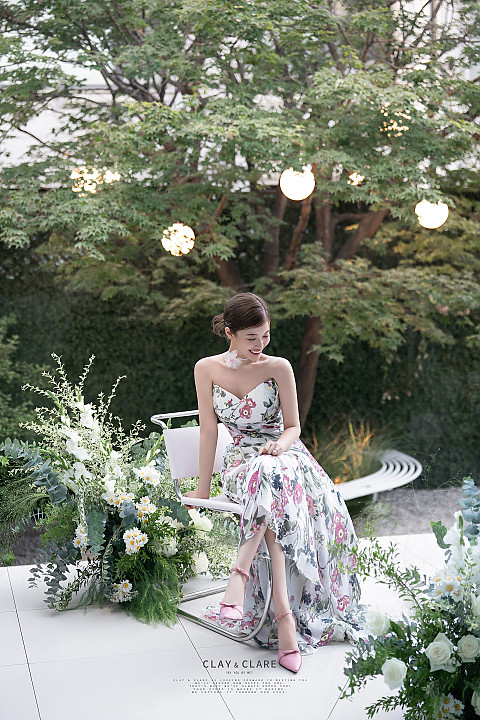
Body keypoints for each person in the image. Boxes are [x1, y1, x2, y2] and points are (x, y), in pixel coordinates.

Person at [184, 292, 366, 673]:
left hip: (286, 457)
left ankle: (248, 585)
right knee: (265, 479)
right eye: (251, 338)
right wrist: (202, 489)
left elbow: (293, 427)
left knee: (270, 474)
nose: (260, 345)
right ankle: (284, 617)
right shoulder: (206, 369)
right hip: (240, 463)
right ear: (230, 333)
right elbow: (208, 431)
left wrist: (278, 447)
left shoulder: (279, 367)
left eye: (265, 335)